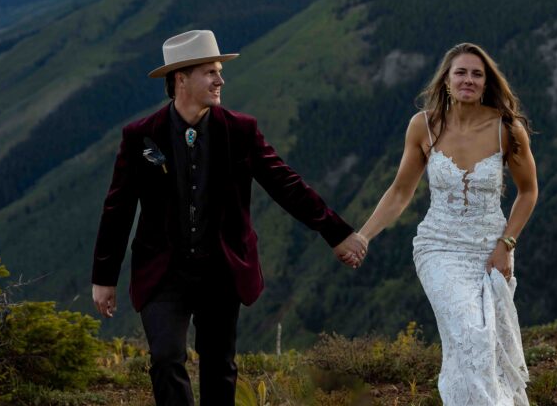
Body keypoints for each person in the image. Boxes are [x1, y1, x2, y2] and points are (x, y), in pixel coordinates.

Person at [91, 29, 367, 406]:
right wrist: (104, 277)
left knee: (219, 364)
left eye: (220, 70)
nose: (221, 80)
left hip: (221, 268)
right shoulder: (141, 136)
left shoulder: (240, 131)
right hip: (162, 270)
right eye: (210, 72)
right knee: (166, 357)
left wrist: (336, 232)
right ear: (180, 79)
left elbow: (286, 185)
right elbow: (118, 207)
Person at [357, 42, 538, 405]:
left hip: (492, 249)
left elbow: (528, 192)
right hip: (438, 247)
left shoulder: (508, 129)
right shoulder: (423, 126)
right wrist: (363, 235)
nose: (468, 79)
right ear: (446, 80)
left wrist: (506, 245)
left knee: (486, 342)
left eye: (477, 74)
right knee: (470, 332)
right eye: (461, 72)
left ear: (487, 83)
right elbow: (399, 192)